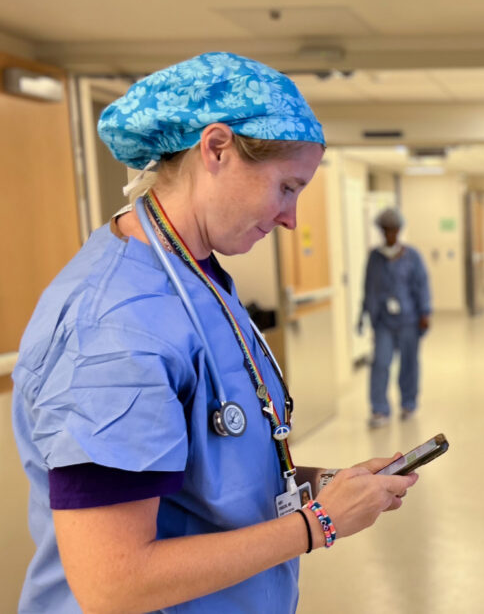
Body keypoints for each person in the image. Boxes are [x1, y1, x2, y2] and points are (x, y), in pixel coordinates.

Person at [10, 53, 417, 613]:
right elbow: (114, 583)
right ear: (217, 149)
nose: (291, 218)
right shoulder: (115, 328)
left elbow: (208, 475)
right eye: (287, 187)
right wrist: (318, 524)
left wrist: (325, 484)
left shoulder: (196, 279)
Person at [358, 208, 431, 428]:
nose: (390, 234)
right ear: (381, 231)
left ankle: (408, 403)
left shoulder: (412, 256)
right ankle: (379, 409)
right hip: (383, 321)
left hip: (409, 319)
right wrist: (363, 315)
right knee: (380, 363)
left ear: (399, 230)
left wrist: (425, 312)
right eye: (386, 230)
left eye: (393, 229)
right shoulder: (375, 257)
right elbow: (368, 288)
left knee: (409, 364)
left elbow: (422, 285)